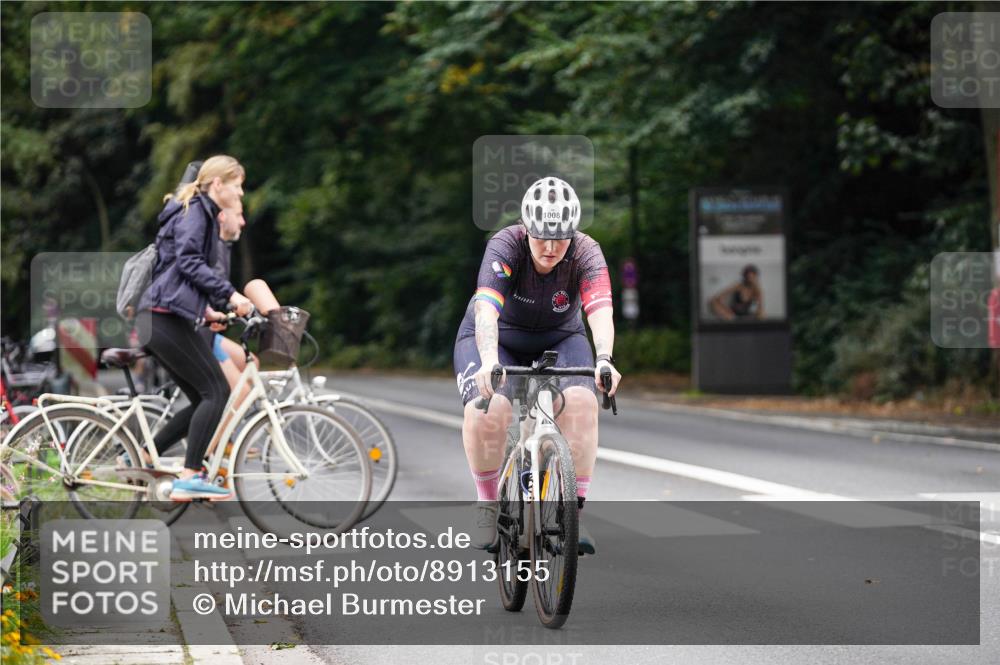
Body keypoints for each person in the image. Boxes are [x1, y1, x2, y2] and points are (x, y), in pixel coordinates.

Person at [454, 176, 622, 554]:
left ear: (573, 232)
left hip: (560, 338)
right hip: (498, 338)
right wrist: (490, 361)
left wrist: (605, 359)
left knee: (581, 403)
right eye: (541, 235)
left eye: (560, 237)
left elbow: (600, 310)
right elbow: (486, 310)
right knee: (489, 409)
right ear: (526, 227)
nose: (550, 247)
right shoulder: (506, 244)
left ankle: (574, 512)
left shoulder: (586, 252)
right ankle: (487, 503)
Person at [134, 155, 254, 501]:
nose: (241, 194)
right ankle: (190, 475)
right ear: (218, 185)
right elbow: (188, 263)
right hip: (160, 317)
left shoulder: (199, 211)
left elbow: (178, 274)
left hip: (163, 315)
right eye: (237, 186)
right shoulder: (195, 212)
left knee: (203, 396)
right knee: (217, 391)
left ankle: (139, 456)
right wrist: (230, 296)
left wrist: (205, 311)